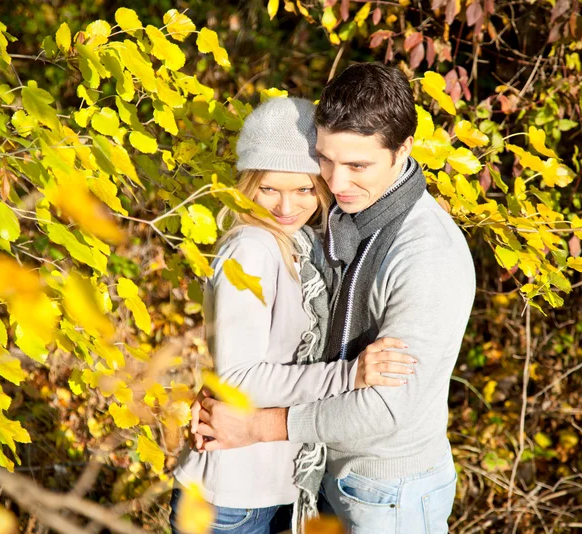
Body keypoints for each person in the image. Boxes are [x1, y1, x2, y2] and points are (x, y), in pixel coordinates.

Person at [192, 63, 477, 534]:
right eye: (325, 159)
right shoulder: (347, 222)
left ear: (403, 149)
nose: (338, 182)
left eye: (358, 165)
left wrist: (254, 425)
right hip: (331, 479)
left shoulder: (426, 255)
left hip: (391, 495)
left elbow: (386, 409)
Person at [170, 96, 416, 534]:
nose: (287, 207)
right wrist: (349, 375)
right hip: (231, 499)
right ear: (248, 184)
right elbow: (240, 378)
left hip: (282, 486)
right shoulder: (250, 249)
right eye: (269, 188)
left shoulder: (303, 246)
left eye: (303, 188)